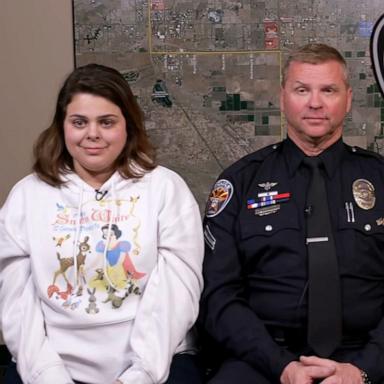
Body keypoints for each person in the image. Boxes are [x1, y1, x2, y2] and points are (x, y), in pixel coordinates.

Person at [0, 63, 204, 384]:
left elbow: (176, 296)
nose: (92, 134)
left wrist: (139, 375)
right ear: (62, 126)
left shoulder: (166, 189)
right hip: (50, 366)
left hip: (154, 364)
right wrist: (49, 376)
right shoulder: (27, 196)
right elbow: (17, 305)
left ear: (128, 126)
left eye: (106, 122)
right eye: (79, 122)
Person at [199, 43, 384, 384]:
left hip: (368, 356)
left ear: (348, 98)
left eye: (328, 90)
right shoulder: (239, 183)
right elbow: (219, 297)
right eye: (302, 90)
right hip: (264, 358)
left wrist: (363, 369)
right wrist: (282, 367)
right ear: (283, 97)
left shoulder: (380, 179)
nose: (315, 102)